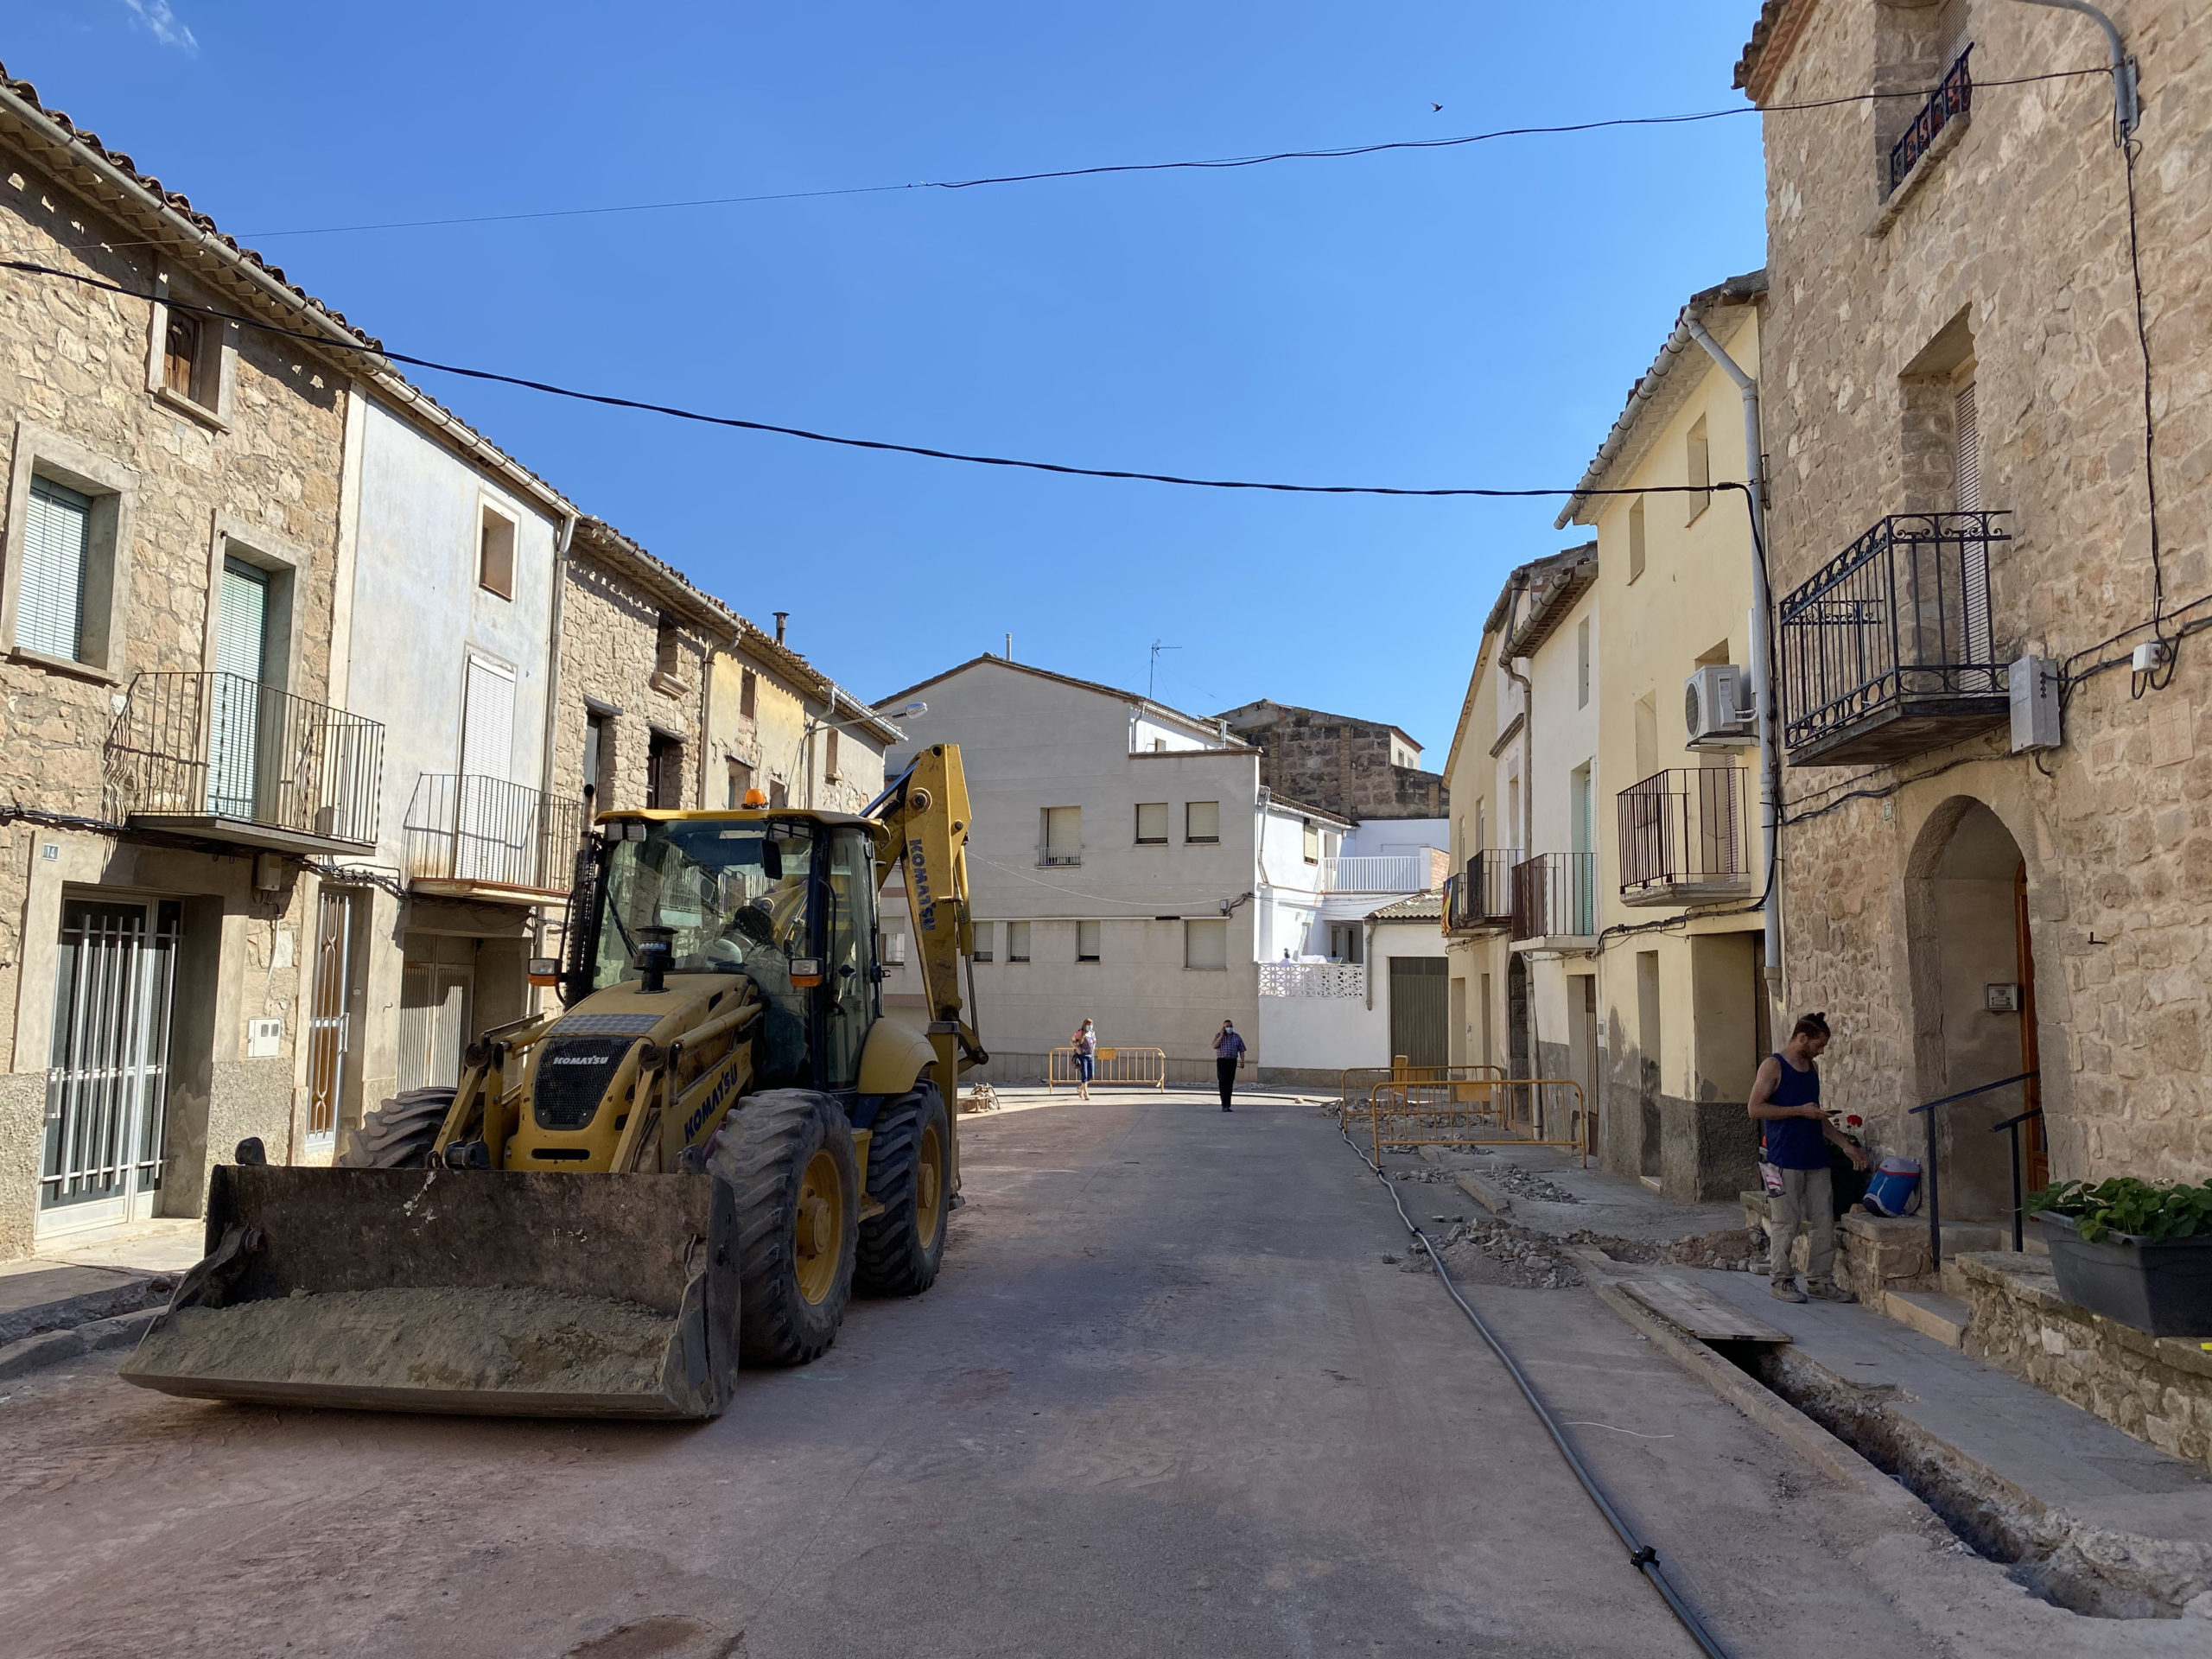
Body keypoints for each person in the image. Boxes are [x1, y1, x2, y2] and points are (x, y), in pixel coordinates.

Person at [1749, 1011, 1868, 1303]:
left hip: (1816, 1159)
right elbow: (1755, 1109)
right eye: (1819, 1045)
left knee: (1824, 1222)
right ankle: (1781, 1280)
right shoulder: (1773, 1066)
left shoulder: (1812, 1069)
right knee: (1785, 1223)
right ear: (1802, 1038)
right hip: (1781, 1160)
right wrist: (1799, 1111)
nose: (1821, 1051)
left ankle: (1820, 1280)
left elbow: (1817, 1116)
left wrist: (1845, 1145)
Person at [1213, 1020, 1247, 1111]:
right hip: (1222, 1061)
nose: (1229, 1028)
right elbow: (1215, 1046)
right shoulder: (1218, 1036)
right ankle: (1224, 1104)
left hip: (1232, 1061)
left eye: (1230, 1026)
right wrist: (1221, 1036)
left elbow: (1242, 1050)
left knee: (1229, 1083)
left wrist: (1242, 1061)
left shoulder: (1237, 1037)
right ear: (1223, 1028)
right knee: (1222, 1082)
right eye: (1227, 1026)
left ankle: (1228, 1105)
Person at [1071, 1018, 1098, 1101]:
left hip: (1090, 1056)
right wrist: (1077, 1048)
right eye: (1088, 1025)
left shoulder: (1092, 1033)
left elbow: (1094, 1042)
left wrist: (1093, 1049)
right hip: (1082, 1056)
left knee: (1091, 1075)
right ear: (1085, 1025)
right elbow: (1072, 1041)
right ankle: (1086, 1093)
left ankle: (1080, 1088)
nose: (1090, 1026)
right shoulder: (1080, 1032)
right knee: (1085, 1074)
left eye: (1091, 1025)